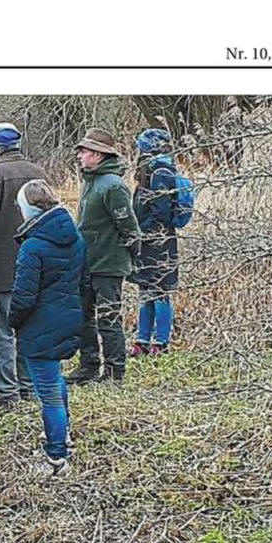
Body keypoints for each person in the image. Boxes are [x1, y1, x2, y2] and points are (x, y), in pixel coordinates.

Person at [7, 180, 86, 476]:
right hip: (68, 317)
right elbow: (84, 280)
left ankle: (56, 456)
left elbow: (24, 296)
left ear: (28, 208)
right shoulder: (74, 236)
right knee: (55, 380)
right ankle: (63, 434)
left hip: (40, 325)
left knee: (49, 392)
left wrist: (12, 321)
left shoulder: (33, 246)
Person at [0, 122, 49, 406]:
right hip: (39, 266)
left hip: (1, 269)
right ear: (19, 143)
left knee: (2, 333)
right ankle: (30, 387)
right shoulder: (39, 174)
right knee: (30, 327)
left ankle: (7, 393)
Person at [69, 128, 141, 385]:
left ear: (99, 155)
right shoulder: (91, 181)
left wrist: (131, 255)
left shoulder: (113, 185)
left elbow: (129, 227)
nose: (79, 155)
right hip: (88, 262)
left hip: (108, 265)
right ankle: (88, 367)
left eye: (85, 151)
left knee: (108, 318)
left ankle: (114, 372)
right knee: (83, 316)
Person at [129, 128, 181, 357]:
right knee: (145, 291)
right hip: (149, 241)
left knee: (159, 292)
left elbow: (161, 210)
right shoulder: (150, 170)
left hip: (159, 242)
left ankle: (161, 342)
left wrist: (142, 231)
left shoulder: (161, 172)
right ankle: (142, 339)